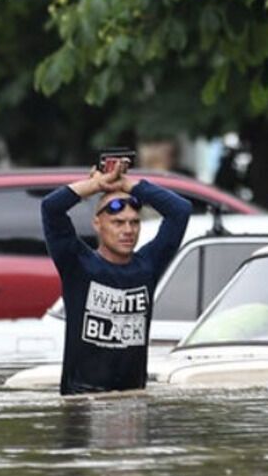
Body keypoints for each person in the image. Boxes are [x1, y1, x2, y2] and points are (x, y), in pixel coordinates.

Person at [40, 161, 193, 395]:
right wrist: (95, 185)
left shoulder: (148, 265)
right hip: (83, 399)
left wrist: (129, 185)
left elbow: (180, 210)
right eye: (118, 223)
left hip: (133, 398)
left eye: (134, 222)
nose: (128, 230)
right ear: (98, 224)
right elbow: (51, 207)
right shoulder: (78, 264)